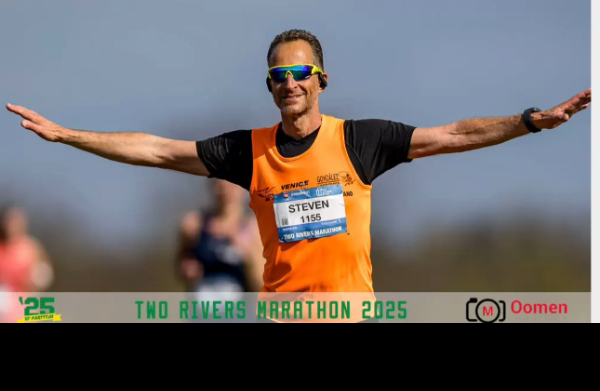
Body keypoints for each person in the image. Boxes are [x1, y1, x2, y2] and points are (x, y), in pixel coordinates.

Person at [6, 29, 591, 299]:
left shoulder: (361, 140)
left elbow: (455, 135)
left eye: (300, 73)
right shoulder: (248, 150)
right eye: (278, 75)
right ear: (270, 86)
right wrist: (66, 135)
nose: (290, 83)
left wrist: (529, 120)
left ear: (321, 80)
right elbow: (158, 150)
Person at [177, 179, 264, 296]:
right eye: (220, 184)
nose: (225, 190)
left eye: (231, 185)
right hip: (202, 303)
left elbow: (261, 285)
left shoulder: (255, 229)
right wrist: (187, 269)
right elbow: (181, 266)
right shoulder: (193, 224)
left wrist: (247, 257)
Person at [0, 206, 54, 323]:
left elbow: (43, 277)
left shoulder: (31, 249)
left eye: (16, 222)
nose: (11, 225)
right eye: (8, 221)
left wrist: (32, 281)